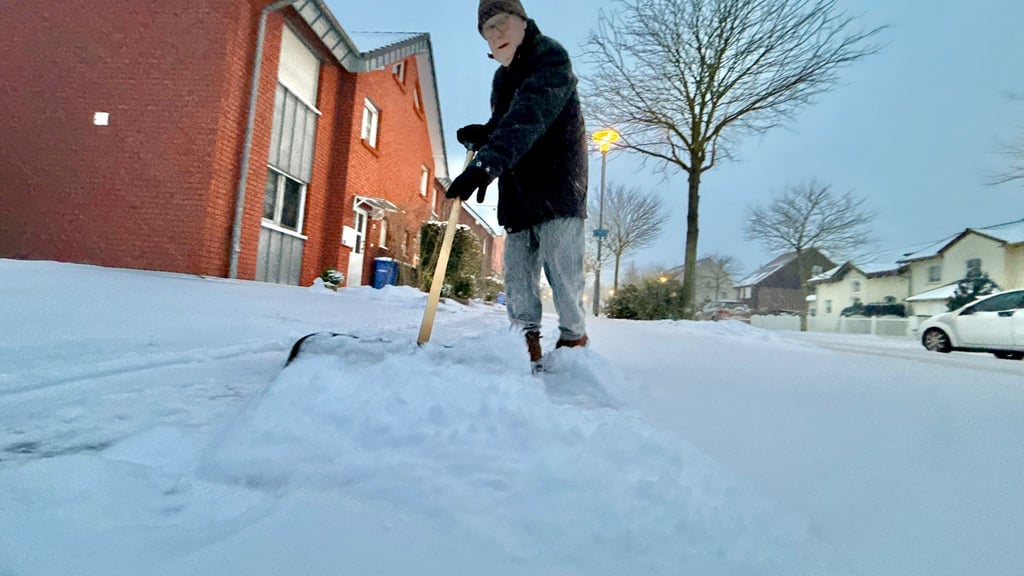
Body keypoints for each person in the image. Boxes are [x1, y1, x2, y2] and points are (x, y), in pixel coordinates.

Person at [445, 0, 589, 371]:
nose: (496, 32)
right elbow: (507, 123)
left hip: (557, 184)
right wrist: (486, 134)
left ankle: (574, 339)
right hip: (518, 189)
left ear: (523, 22)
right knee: (518, 271)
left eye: (503, 21)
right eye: (487, 29)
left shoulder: (549, 57)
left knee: (562, 267)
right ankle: (526, 339)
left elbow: (531, 115)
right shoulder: (502, 78)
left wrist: (485, 165)